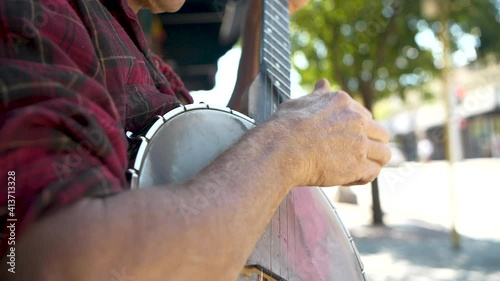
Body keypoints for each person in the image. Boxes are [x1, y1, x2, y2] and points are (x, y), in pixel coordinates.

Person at [0, 0, 391, 280]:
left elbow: (234, 157)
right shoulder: (40, 11)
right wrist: (294, 144)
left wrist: (262, 14)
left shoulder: (141, 52)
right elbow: (57, 263)